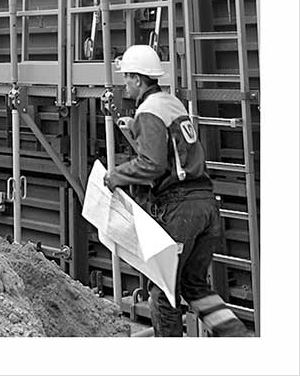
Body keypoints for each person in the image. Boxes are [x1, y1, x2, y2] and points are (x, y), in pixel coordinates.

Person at [103, 44, 249, 338]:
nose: (125, 84)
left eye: (127, 77)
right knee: (194, 285)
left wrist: (115, 176)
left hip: (181, 209)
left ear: (139, 79)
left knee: (165, 290)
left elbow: (152, 165)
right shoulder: (170, 103)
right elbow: (173, 146)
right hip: (206, 205)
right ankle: (238, 339)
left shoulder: (148, 111)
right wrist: (136, 128)